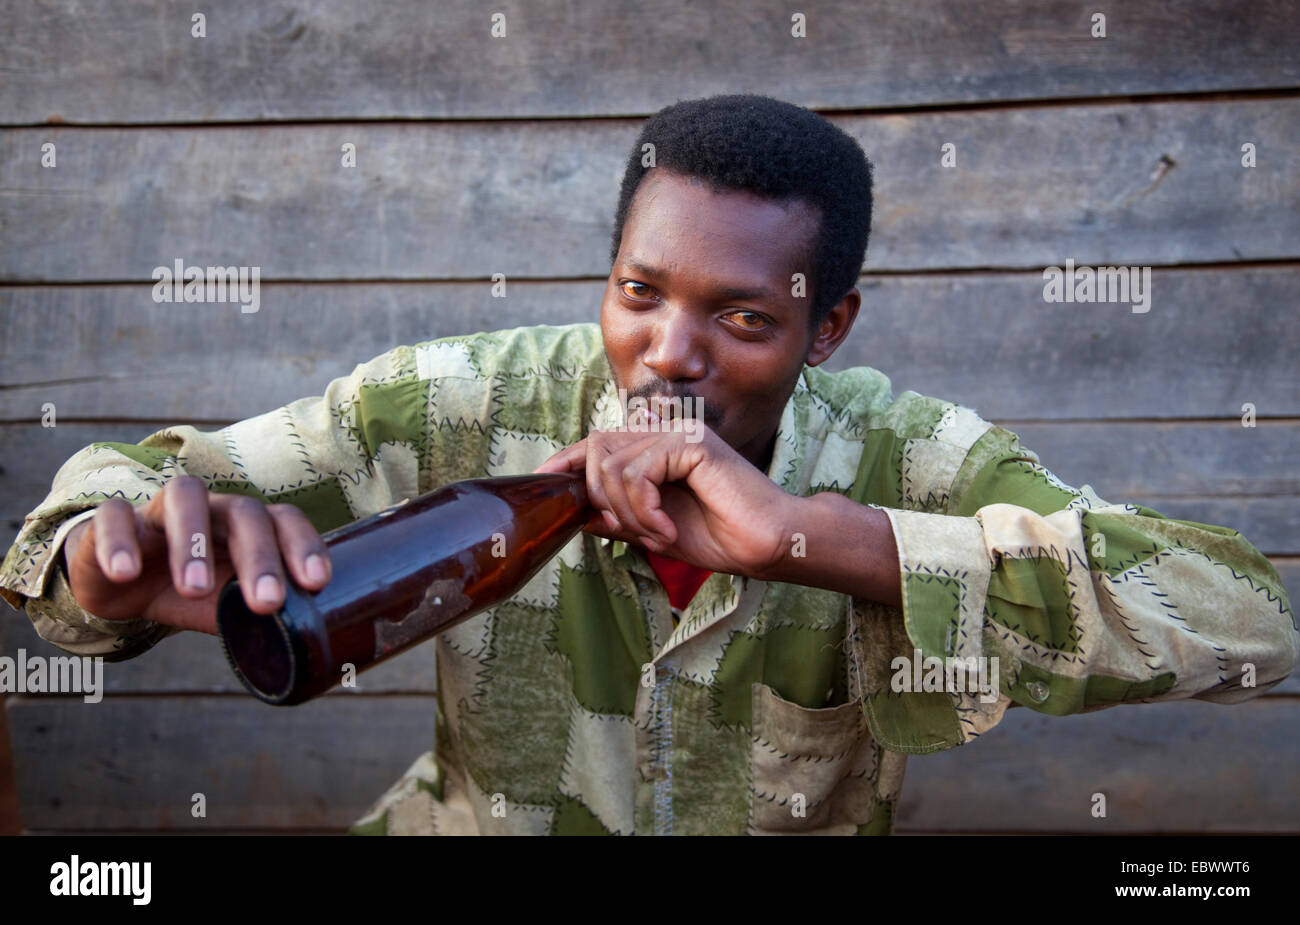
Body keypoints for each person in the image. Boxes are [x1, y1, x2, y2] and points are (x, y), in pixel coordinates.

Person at [2, 95, 1295, 836]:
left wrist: (816, 536)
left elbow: (1247, 610)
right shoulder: (471, 405)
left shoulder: (908, 452)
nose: (664, 358)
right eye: (638, 292)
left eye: (742, 319)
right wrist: (103, 563)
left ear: (826, 326)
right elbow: (99, 503)